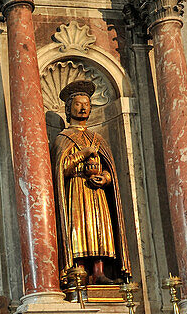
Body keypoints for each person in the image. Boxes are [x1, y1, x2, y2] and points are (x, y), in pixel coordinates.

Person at [50, 80, 131, 285]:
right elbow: (61, 168)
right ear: (69, 108)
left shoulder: (97, 138)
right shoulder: (63, 138)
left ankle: (99, 271)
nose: (83, 107)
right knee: (78, 227)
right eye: (78, 104)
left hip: (97, 194)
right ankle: (79, 271)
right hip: (76, 190)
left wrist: (104, 178)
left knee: (99, 228)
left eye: (86, 103)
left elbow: (109, 170)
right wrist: (84, 154)